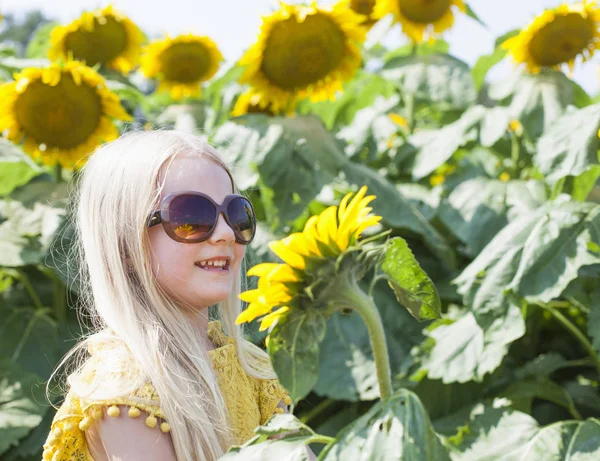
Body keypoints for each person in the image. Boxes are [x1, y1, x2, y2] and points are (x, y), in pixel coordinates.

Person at [41, 130, 291, 461]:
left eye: (236, 213)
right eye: (190, 218)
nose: (226, 233)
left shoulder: (253, 370)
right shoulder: (125, 391)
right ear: (125, 244)